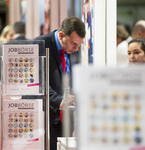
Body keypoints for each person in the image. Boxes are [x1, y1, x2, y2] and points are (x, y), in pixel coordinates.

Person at [34, 17, 86, 150]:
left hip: (66, 118)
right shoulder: (40, 44)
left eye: (79, 44)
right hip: (44, 117)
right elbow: (35, 81)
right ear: (62, 35)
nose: (76, 48)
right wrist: (58, 100)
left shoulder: (74, 49)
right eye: (73, 43)